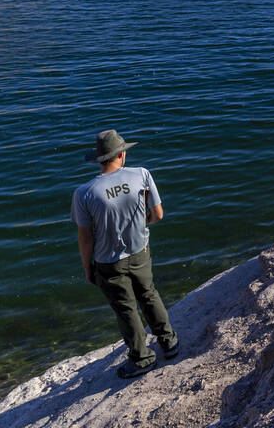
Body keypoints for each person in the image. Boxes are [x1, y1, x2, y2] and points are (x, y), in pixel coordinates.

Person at [71, 129, 179, 378]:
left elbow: (85, 237)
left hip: (108, 262)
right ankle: (169, 342)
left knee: (125, 308)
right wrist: (140, 226)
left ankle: (142, 358)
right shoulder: (142, 175)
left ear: (99, 160)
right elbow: (158, 215)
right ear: (121, 155)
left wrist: (88, 267)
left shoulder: (84, 193)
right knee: (149, 295)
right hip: (140, 251)